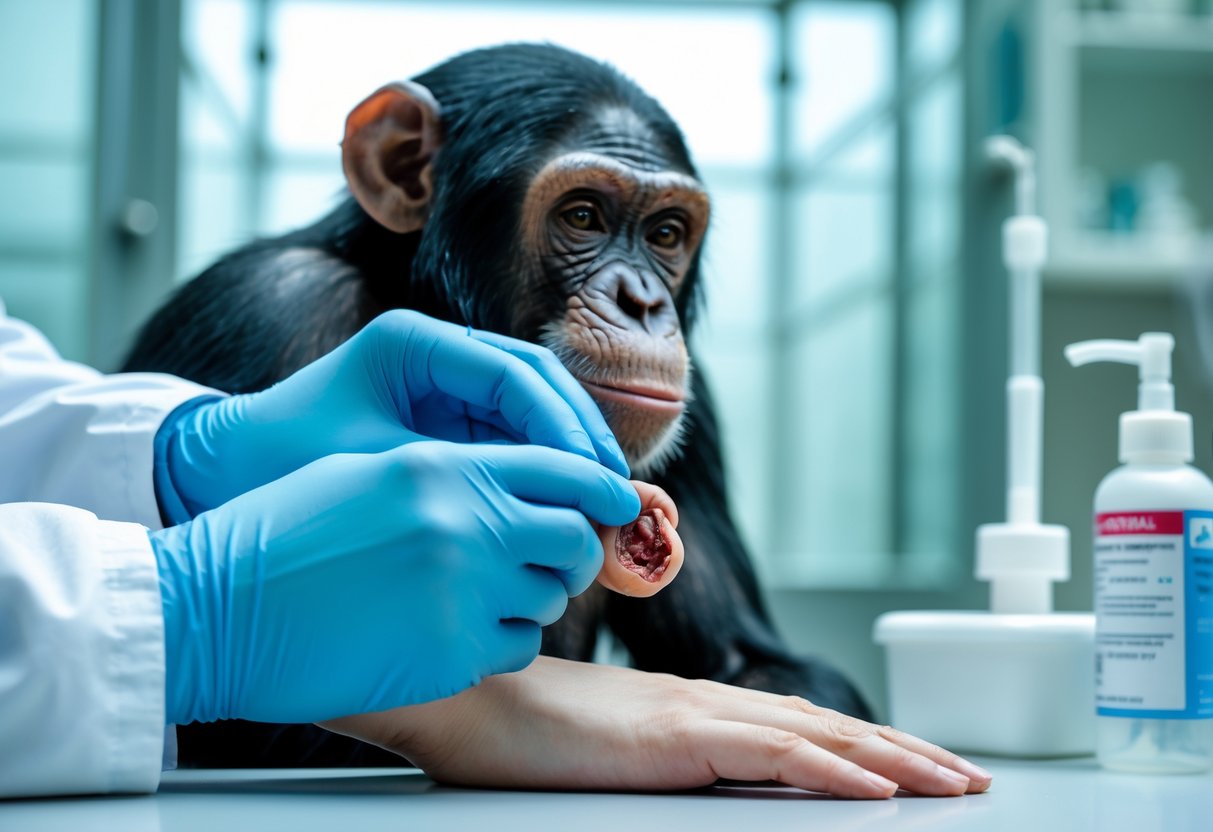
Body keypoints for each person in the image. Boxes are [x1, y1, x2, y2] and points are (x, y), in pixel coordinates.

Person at [0, 302, 993, 800]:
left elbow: (731, 651)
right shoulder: (293, 305)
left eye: (665, 238)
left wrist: (185, 459)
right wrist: (186, 614)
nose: (639, 301)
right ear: (401, 172)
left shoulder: (670, 387)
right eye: (578, 220)